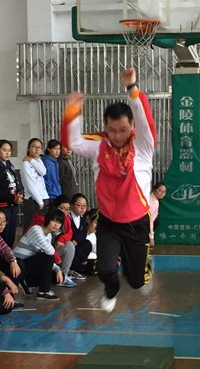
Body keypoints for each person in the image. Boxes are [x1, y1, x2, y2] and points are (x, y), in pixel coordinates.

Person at [62, 67, 156, 312]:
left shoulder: (143, 145)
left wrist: (132, 88)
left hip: (137, 223)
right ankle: (111, 289)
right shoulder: (99, 146)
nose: (117, 135)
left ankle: (143, 269)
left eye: (123, 130)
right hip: (109, 221)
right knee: (105, 269)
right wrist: (73, 110)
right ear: (105, 126)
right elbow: (73, 142)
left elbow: (145, 120)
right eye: (112, 130)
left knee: (137, 282)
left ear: (131, 126)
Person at [14, 208, 65, 299]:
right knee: (48, 257)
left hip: (29, 266)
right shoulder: (36, 229)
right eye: (53, 220)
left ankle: (26, 282)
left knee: (57, 277)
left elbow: (47, 257)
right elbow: (50, 252)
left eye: (59, 222)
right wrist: (57, 266)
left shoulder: (48, 236)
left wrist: (58, 270)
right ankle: (43, 292)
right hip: (18, 265)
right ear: (48, 219)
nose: (56, 225)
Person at [0, 139, 23, 247]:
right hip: (2, 206)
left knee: (11, 235)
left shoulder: (9, 166)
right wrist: (13, 198)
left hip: (13, 206)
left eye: (9, 150)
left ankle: (9, 260)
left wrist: (20, 193)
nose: (7, 153)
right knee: (3, 236)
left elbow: (15, 183)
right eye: (4, 150)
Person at [20, 138, 48, 227]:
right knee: (31, 227)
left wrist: (31, 160)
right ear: (28, 148)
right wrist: (40, 202)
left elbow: (43, 172)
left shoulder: (37, 161)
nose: (37, 149)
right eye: (34, 146)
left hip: (43, 198)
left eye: (39, 147)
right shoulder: (26, 165)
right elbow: (30, 186)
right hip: (33, 200)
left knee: (42, 227)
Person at [149, 181, 167, 247]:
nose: (162, 193)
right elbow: (150, 221)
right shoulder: (153, 202)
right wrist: (151, 238)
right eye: (159, 190)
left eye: (164, 192)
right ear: (154, 190)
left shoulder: (153, 199)